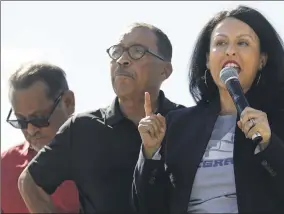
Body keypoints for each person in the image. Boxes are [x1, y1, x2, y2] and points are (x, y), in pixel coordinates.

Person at [133, 5, 284, 214]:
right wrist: (151, 154)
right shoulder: (178, 124)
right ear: (207, 59)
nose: (230, 51)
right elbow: (146, 208)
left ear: (262, 59)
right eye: (220, 43)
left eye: (243, 43)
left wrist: (269, 146)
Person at [18, 23, 185, 214]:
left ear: (165, 70)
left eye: (137, 51)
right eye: (117, 51)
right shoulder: (82, 128)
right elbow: (30, 182)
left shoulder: (187, 124)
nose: (122, 59)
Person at [1, 62, 80, 213]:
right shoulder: (4, 167)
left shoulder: (106, 158)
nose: (30, 130)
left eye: (39, 118)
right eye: (21, 121)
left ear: (68, 102)